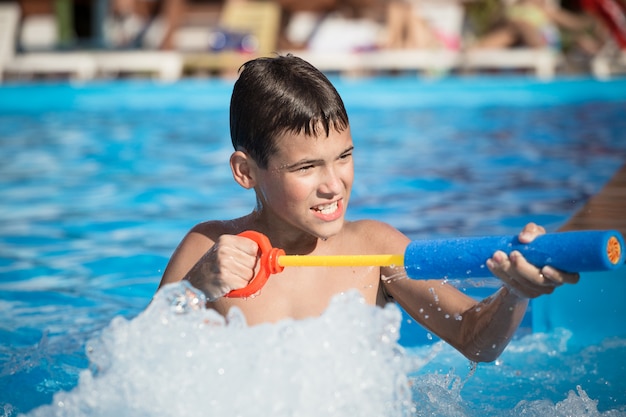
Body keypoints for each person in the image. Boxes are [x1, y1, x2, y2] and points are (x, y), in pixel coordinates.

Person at [157, 54, 579, 362]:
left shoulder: (375, 247)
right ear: (246, 171)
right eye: (307, 166)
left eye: (343, 156)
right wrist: (194, 288)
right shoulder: (209, 247)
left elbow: (473, 338)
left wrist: (516, 293)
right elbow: (137, 368)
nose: (334, 184)